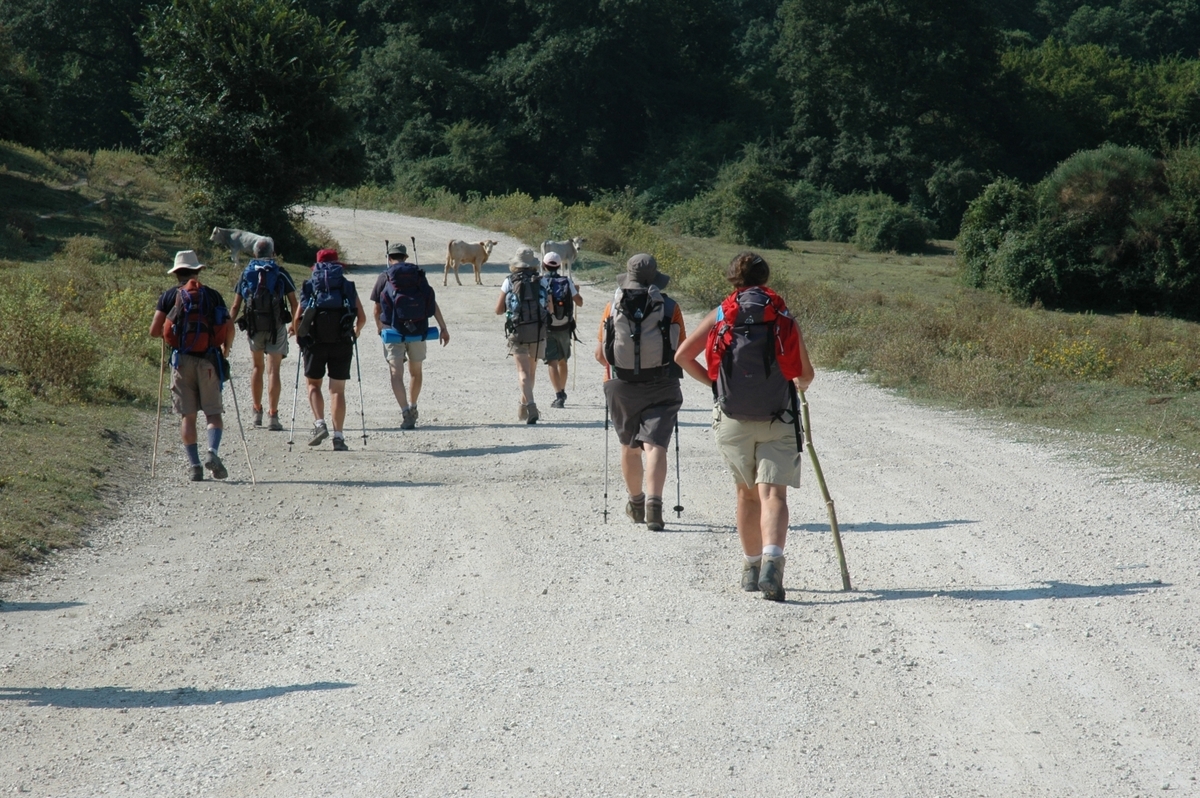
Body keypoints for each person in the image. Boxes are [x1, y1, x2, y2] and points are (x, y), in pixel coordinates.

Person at [674, 252, 814, 601]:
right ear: (765, 278)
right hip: (779, 417)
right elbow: (805, 375)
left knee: (746, 494)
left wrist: (716, 386)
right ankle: (772, 562)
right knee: (774, 494)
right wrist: (798, 384)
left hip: (733, 417)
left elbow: (682, 357)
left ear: (733, 278)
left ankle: (751, 568)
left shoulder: (722, 314)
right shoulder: (781, 315)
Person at [596, 253, 705, 530]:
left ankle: (636, 504)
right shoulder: (670, 307)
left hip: (620, 384)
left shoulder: (612, 306)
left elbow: (601, 355)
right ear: (654, 277)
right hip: (662, 383)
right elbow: (680, 351)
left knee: (630, 446)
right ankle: (655, 507)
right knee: (655, 445)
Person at [149, 250, 235, 482]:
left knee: (188, 416)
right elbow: (229, 327)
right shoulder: (213, 296)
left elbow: (155, 331)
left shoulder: (169, 296)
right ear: (197, 271)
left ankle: (195, 466)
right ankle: (212, 452)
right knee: (213, 413)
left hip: (182, 361)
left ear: (176, 273)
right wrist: (226, 350)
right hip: (209, 360)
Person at [370, 242, 450, 430]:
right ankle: (413, 406)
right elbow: (431, 302)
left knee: (396, 373)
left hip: (393, 331)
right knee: (416, 371)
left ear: (389, 258)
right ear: (405, 257)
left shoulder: (384, 277)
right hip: (418, 329)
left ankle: (405, 411)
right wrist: (443, 327)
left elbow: (376, 309)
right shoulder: (418, 276)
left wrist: (380, 328)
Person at [295, 249, 367, 450]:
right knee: (337, 391)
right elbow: (362, 318)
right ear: (338, 265)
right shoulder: (347, 286)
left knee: (313, 385)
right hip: (342, 343)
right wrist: (355, 332)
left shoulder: (309, 285)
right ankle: (338, 437)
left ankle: (320, 424)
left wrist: (300, 337)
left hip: (314, 343)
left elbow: (298, 319)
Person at [229, 238, 298, 432]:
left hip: (254, 327)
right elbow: (294, 303)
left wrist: (227, 328)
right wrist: (295, 325)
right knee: (273, 370)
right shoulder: (280, 272)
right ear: (273, 253)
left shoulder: (246, 273)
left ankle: (256, 412)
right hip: (276, 327)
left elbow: (236, 305)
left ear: (254, 254)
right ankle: (273, 416)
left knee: (257, 367)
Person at [496, 247, 550, 424]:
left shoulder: (509, 281)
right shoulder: (542, 281)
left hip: (517, 331)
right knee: (531, 371)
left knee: (522, 371)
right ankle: (523, 406)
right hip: (537, 331)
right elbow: (549, 308)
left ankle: (530, 405)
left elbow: (498, 310)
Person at [541, 251, 583, 408]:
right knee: (563, 360)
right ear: (559, 266)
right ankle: (563, 390)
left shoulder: (541, 282)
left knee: (551, 361)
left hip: (548, 327)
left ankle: (559, 396)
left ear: (544, 265)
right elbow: (580, 302)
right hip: (565, 327)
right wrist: (576, 291)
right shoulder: (567, 282)